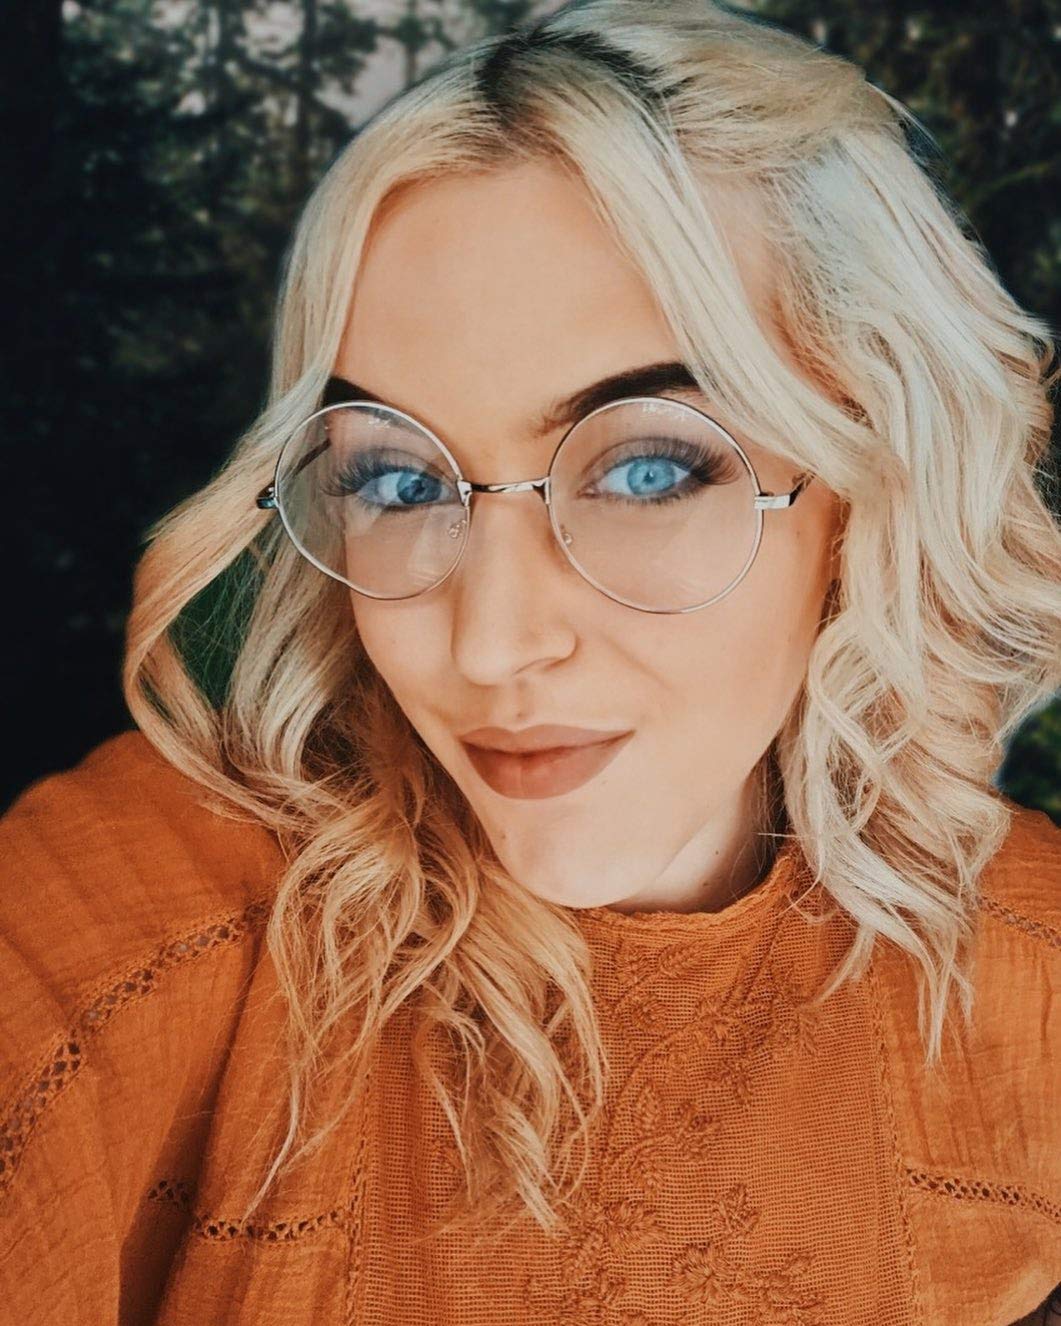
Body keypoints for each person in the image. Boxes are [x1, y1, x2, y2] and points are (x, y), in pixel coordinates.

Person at [1, 1, 1059, 1322]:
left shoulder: (1026, 967)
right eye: (398, 478)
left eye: (647, 467)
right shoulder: (143, 942)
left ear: (867, 475)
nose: (488, 641)